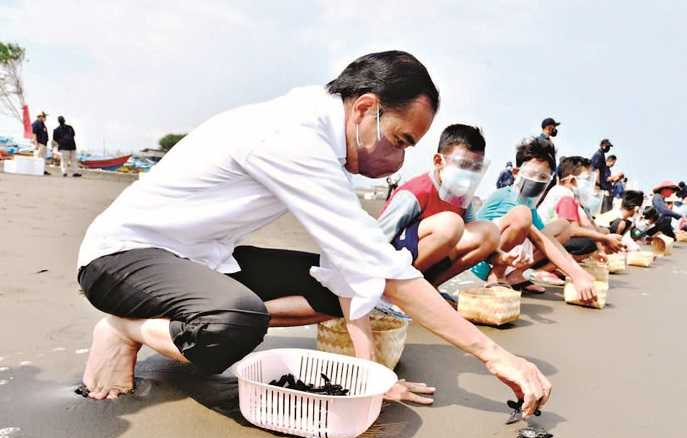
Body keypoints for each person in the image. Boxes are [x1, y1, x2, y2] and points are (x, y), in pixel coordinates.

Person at [76, 51, 550, 417]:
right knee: (236, 323)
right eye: (401, 140)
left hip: (201, 257)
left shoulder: (325, 139)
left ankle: (193, 323)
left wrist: (373, 374)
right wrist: (493, 355)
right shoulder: (292, 136)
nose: (399, 158)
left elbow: (349, 267)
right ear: (366, 108)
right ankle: (123, 327)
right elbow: (383, 268)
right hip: (120, 258)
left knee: (327, 293)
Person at [470, 138, 597, 301]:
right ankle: (496, 276)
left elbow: (547, 240)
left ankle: (515, 276)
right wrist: (575, 273)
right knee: (522, 216)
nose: (536, 180)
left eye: (542, 177)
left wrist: (576, 272)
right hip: (484, 260)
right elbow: (537, 237)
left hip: (512, 258)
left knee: (563, 227)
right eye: (531, 174)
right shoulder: (504, 195)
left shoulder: (530, 204)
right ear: (516, 173)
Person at [377, 124, 503, 287]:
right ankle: (397, 288)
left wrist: (499, 256)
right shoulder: (416, 192)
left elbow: (474, 234)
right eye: (463, 165)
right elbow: (380, 236)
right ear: (438, 161)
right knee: (451, 224)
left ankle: (429, 287)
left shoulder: (462, 197)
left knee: (489, 232)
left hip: (424, 263)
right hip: (394, 263)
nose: (469, 174)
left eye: (476, 168)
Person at [538, 155, 624, 257]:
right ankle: (546, 269)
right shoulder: (565, 195)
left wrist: (602, 239)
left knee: (597, 235)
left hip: (546, 239)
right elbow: (573, 230)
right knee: (588, 243)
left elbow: (587, 223)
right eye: (586, 179)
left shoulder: (563, 192)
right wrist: (604, 239)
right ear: (570, 180)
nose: (589, 184)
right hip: (543, 243)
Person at [590, 138, 613, 213]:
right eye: (607, 146)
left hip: (599, 185)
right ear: (603, 145)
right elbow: (595, 169)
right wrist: (597, 184)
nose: (608, 148)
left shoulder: (602, 155)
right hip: (596, 185)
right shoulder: (598, 154)